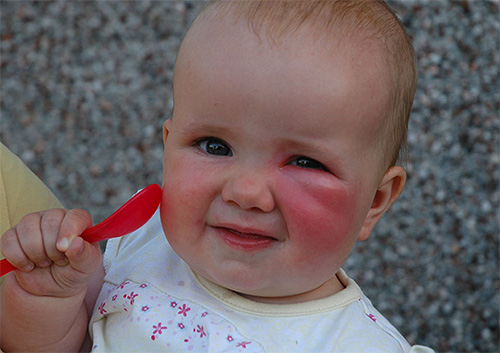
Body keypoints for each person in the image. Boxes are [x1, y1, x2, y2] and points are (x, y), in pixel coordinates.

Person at [0, 1, 434, 352]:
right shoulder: (144, 246)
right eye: (214, 146)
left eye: (304, 162)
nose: (246, 192)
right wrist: (47, 297)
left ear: (375, 201)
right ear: (168, 145)